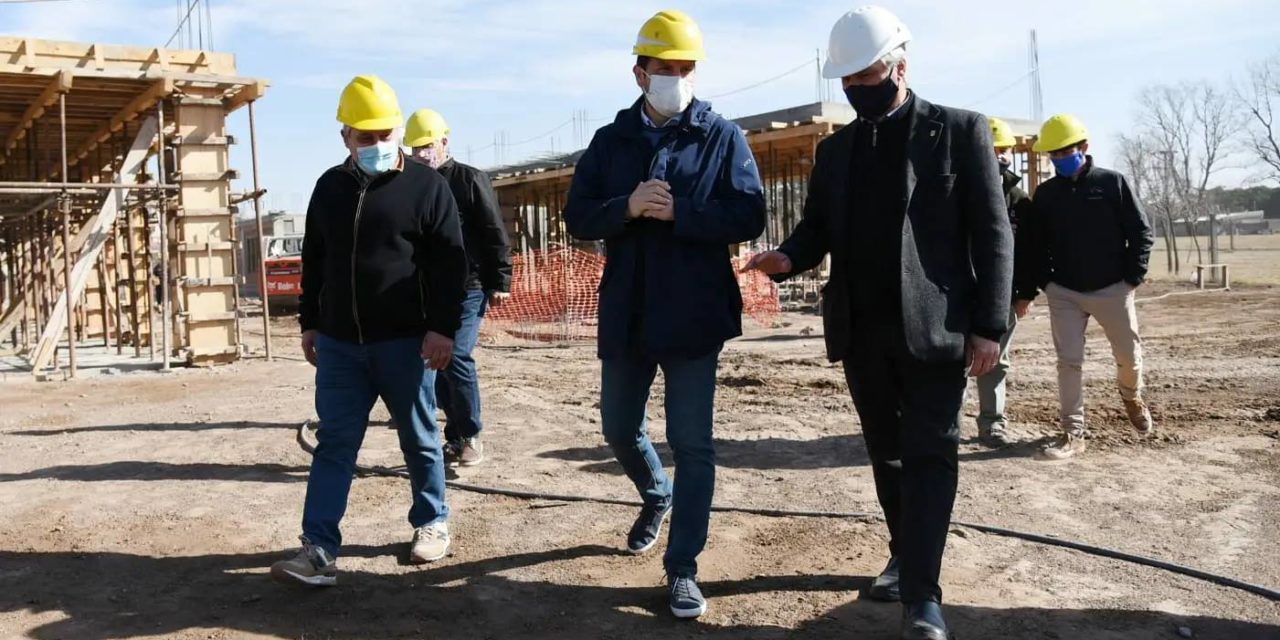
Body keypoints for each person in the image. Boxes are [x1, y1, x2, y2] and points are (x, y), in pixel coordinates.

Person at [743, 6, 1012, 639]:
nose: (858, 91)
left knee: (931, 453)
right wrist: (786, 257)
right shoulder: (835, 152)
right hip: (862, 330)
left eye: (867, 78)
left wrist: (989, 327)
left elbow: (994, 235)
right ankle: (906, 556)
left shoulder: (958, 132)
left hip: (937, 329)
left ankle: (923, 596)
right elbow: (817, 230)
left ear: (900, 66)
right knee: (886, 456)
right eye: (848, 82)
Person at [563, 8, 766, 620]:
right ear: (639, 73)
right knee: (618, 428)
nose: (676, 77)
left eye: (685, 68)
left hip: (694, 316)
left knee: (693, 443)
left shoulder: (721, 137)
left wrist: (685, 216)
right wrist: (625, 206)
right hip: (627, 313)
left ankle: (683, 568)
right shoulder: (610, 141)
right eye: (664, 68)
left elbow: (749, 214)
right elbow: (577, 216)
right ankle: (657, 493)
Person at [270, 75, 469, 586]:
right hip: (340, 345)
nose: (378, 145)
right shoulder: (328, 188)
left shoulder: (428, 188)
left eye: (385, 134)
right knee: (336, 442)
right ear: (346, 137)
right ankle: (318, 549)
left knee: (420, 438)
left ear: (398, 130)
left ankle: (431, 522)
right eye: (366, 137)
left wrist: (442, 330)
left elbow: (450, 265)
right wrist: (310, 321)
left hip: (406, 342)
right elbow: (314, 258)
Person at [1019, 114, 1155, 460]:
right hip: (1064, 291)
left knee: (1128, 356)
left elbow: (1141, 233)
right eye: (1054, 155)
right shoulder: (1046, 194)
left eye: (1065, 151)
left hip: (1113, 288)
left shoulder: (1112, 184)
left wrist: (1132, 278)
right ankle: (1072, 433)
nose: (1059, 159)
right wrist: (1045, 282)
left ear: (1084, 147)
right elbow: (1034, 243)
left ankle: (1131, 394)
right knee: (1068, 362)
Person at [404, 108, 513, 467]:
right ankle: (448, 434)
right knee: (432, 360)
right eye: (414, 147)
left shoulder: (468, 179)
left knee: (458, 356)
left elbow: (493, 230)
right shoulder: (413, 185)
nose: (421, 153)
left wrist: (501, 280)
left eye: (427, 145)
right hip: (427, 290)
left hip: (469, 285)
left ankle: (469, 435)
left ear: (445, 142)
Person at [974, 117, 1036, 448]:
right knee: (952, 361)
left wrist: (1026, 294)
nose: (1001, 156)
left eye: (1006, 149)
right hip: (961, 293)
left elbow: (1030, 252)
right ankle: (946, 425)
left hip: (1005, 296)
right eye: (994, 149)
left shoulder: (1019, 200)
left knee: (995, 360)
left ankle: (992, 424)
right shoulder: (956, 192)